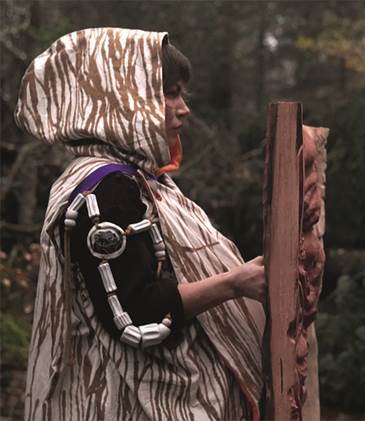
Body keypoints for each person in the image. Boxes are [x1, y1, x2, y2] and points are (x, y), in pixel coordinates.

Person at [16, 28, 267, 420]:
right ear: (122, 96)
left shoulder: (139, 179)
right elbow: (136, 316)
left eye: (183, 93)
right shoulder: (104, 189)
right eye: (169, 92)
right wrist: (235, 283)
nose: (184, 108)